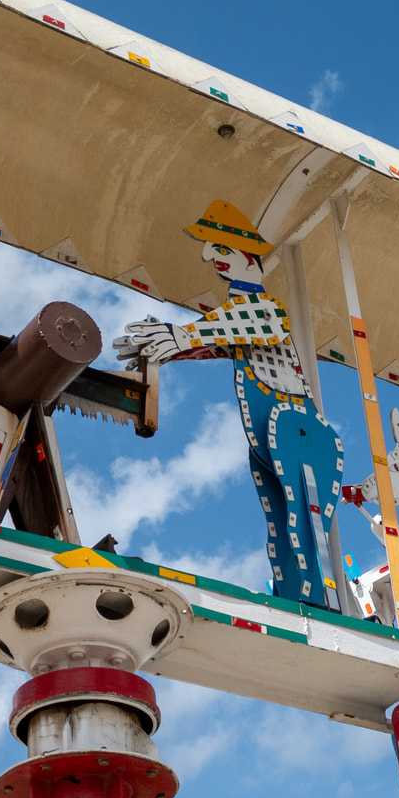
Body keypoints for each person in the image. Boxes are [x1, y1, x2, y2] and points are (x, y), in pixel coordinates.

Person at [114, 201, 344, 610]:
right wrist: (167, 345)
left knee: (303, 522)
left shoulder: (264, 310)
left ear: (246, 256)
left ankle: (320, 600)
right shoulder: (238, 320)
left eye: (219, 248)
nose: (210, 257)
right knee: (280, 525)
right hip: (271, 439)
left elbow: (234, 326)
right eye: (209, 249)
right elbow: (217, 338)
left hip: (298, 432)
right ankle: (293, 599)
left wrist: (179, 335)